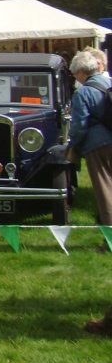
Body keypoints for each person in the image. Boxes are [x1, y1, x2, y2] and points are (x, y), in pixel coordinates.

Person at [68, 51, 112, 247]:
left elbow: (79, 127)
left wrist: (73, 147)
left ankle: (109, 241)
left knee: (105, 193)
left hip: (98, 146)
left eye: (75, 74)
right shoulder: (108, 84)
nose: (76, 78)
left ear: (80, 72)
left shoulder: (83, 93)